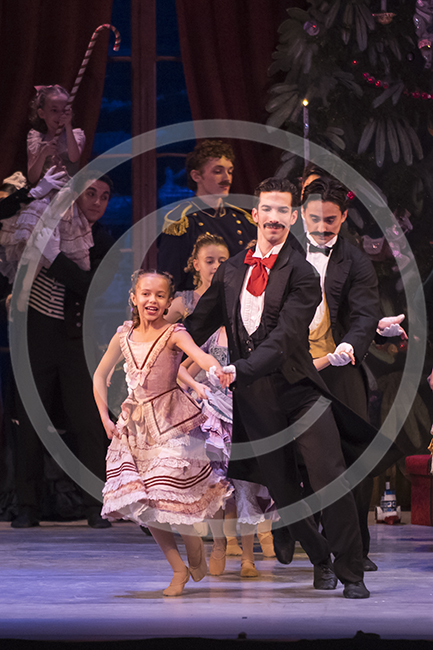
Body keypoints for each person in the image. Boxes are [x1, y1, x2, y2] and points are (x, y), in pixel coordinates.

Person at [186, 177, 371, 599]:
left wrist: (240, 369)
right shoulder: (232, 269)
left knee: (328, 476)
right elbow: (199, 322)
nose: (273, 218)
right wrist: (161, 342)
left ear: (292, 217)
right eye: (266, 209)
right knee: (285, 493)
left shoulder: (302, 273)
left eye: (282, 211)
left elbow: (285, 337)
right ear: (255, 214)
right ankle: (320, 558)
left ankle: (351, 571)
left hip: (298, 390)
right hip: (255, 400)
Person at [93, 270, 232, 597]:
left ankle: (193, 542)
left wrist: (215, 368)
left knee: (167, 493)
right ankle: (178, 568)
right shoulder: (123, 335)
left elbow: (199, 355)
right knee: (147, 504)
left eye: (159, 295)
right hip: (135, 429)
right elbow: (99, 375)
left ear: (169, 302)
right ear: (134, 298)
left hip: (170, 423)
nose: (151, 300)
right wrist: (104, 417)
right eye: (145, 294)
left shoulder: (174, 333)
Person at [296, 176, 407, 570]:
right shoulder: (283, 253)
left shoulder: (355, 260)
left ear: (343, 216)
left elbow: (363, 313)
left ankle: (355, 547)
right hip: (293, 368)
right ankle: (306, 540)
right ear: (301, 215)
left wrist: (350, 346)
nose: (322, 227)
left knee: (352, 458)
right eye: (314, 219)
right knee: (293, 458)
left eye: (330, 219)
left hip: (340, 367)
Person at [11, 174, 118, 529]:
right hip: (35, 335)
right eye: (90, 193)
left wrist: (53, 258)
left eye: (104, 196)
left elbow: (90, 285)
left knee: (87, 421)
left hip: (75, 338)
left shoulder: (103, 240)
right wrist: (34, 192)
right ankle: (27, 506)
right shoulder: (45, 226)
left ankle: (94, 505)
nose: (97, 202)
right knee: (29, 420)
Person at [0, 85, 88, 284]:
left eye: (64, 111)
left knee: (55, 249)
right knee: (35, 240)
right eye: (54, 110)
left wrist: (67, 126)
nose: (59, 115)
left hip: (67, 197)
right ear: (41, 113)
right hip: (44, 195)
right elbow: (32, 177)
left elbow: (74, 156)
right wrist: (43, 153)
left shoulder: (76, 134)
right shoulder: (36, 137)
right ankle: (24, 285)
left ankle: (30, 286)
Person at [157, 139, 256, 291]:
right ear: (196, 176)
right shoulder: (182, 222)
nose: (227, 178)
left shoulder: (243, 220)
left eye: (229, 171)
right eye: (218, 171)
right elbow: (169, 281)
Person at [166, 233, 229, 324]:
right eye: (209, 261)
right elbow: (157, 329)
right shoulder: (185, 301)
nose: (217, 266)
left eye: (222, 262)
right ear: (197, 265)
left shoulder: (236, 298)